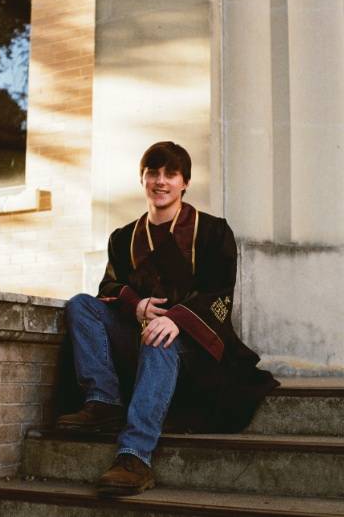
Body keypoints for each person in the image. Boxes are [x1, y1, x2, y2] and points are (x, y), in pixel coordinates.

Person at [56, 141, 279, 496]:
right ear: (142, 179)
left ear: (184, 182)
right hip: (137, 337)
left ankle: (134, 456)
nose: (161, 181)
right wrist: (135, 304)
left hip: (195, 352)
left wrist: (177, 319)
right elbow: (109, 287)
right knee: (81, 304)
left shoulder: (212, 231)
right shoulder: (123, 237)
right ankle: (104, 401)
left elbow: (220, 293)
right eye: (153, 173)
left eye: (170, 174)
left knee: (163, 335)